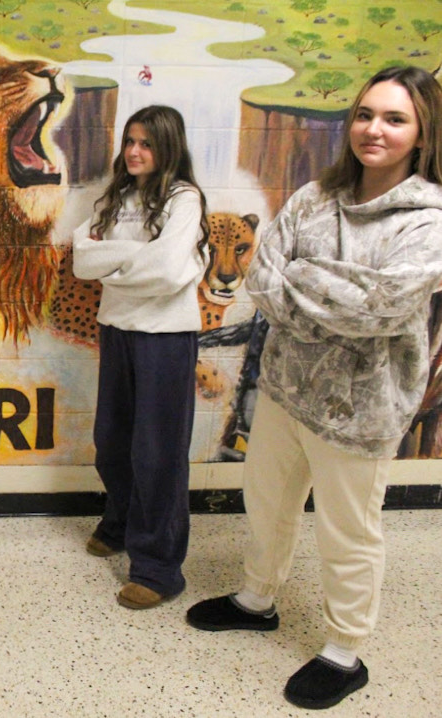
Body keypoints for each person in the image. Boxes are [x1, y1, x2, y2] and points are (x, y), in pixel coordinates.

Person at [186, 65, 442, 710]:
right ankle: (256, 599)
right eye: (364, 114)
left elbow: (377, 309)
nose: (372, 130)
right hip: (284, 387)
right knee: (266, 503)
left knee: (348, 532)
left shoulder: (429, 221)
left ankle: (344, 650)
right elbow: (264, 283)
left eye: (394, 118)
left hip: (360, 410)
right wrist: (324, 284)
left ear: (422, 133)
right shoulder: (313, 197)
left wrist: (304, 277)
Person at [72, 105, 209, 610]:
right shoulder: (115, 196)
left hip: (165, 338)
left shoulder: (183, 199)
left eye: (146, 143)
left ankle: (159, 568)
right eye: (130, 141)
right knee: (111, 442)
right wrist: (133, 264)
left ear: (168, 147)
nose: (134, 152)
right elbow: (83, 260)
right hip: (118, 330)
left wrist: (116, 264)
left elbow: (171, 273)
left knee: (158, 453)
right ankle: (123, 521)